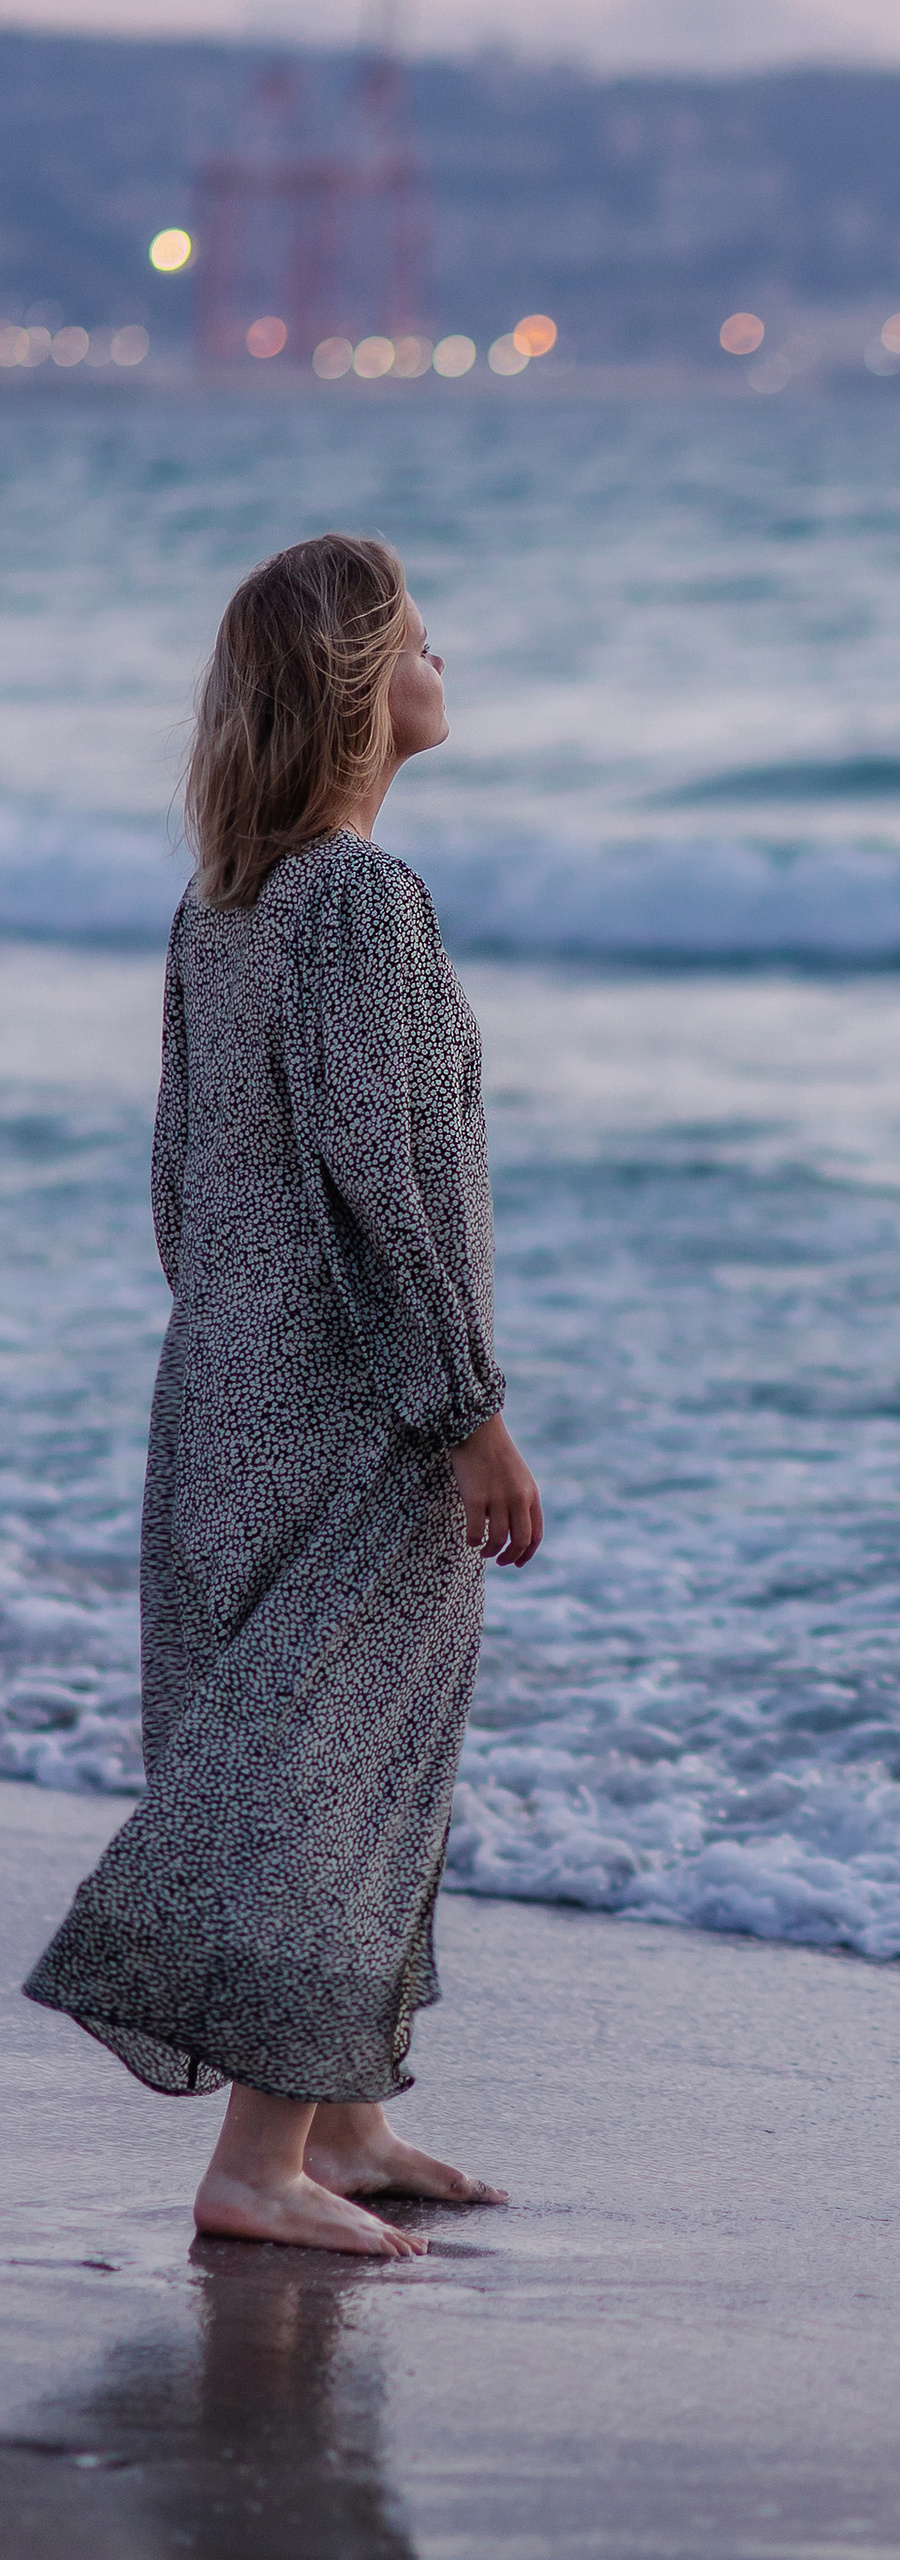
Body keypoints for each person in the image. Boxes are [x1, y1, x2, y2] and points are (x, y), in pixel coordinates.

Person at [22, 534, 539, 2259]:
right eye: (421, 638)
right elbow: (380, 1179)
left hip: (224, 1388)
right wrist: (464, 1408)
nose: (445, 660)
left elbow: (181, 1179)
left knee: (308, 1747)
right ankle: (254, 2167)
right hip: (352, 1407)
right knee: (318, 1768)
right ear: (359, 685)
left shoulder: (224, 903)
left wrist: (237, 1340)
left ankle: (345, 2124)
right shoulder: (358, 899)